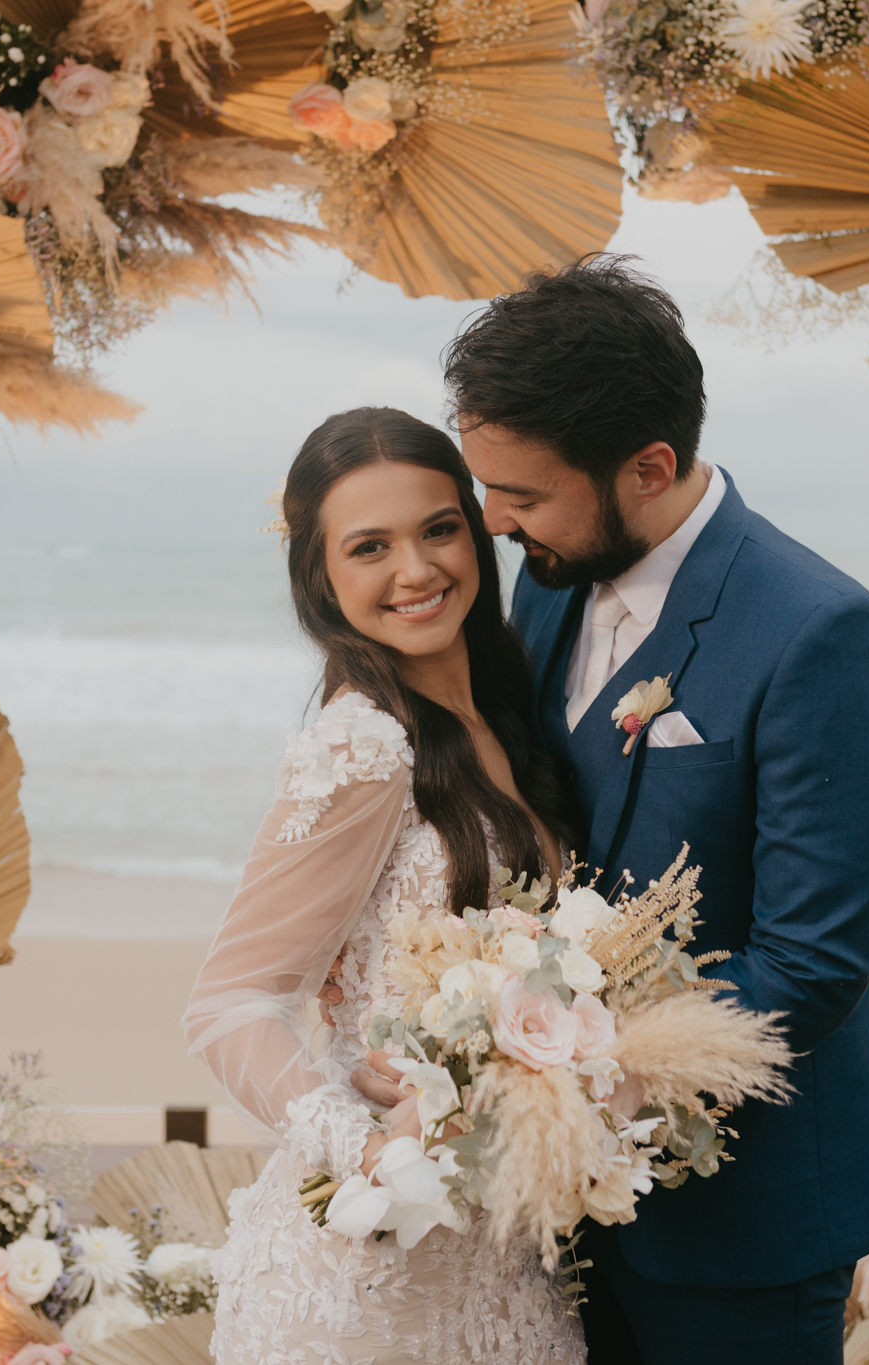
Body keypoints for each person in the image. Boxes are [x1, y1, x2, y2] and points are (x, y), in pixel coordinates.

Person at [442, 255, 869, 1363]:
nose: (494, 521)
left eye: (520, 495)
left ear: (647, 466)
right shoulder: (547, 580)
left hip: (742, 1223)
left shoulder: (823, 636)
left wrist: (552, 1062)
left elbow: (806, 965)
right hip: (562, 1211)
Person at [183, 407, 588, 1364]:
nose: (417, 570)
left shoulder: (504, 714)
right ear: (321, 578)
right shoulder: (363, 743)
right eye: (371, 547)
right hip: (367, 1281)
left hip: (496, 1249)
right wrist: (367, 1147)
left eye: (439, 528)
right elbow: (231, 1002)